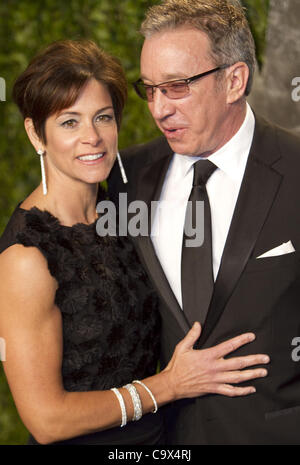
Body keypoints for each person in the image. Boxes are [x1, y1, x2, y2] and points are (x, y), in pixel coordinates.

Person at [0, 39, 269, 446]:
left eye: (103, 118)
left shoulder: (124, 208)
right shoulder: (27, 257)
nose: (92, 137)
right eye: (69, 122)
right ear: (37, 134)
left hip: (163, 440)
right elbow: (46, 419)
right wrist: (171, 385)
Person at [108, 0, 300, 445]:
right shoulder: (124, 177)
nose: (158, 109)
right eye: (149, 89)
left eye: (176, 87)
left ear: (235, 80)